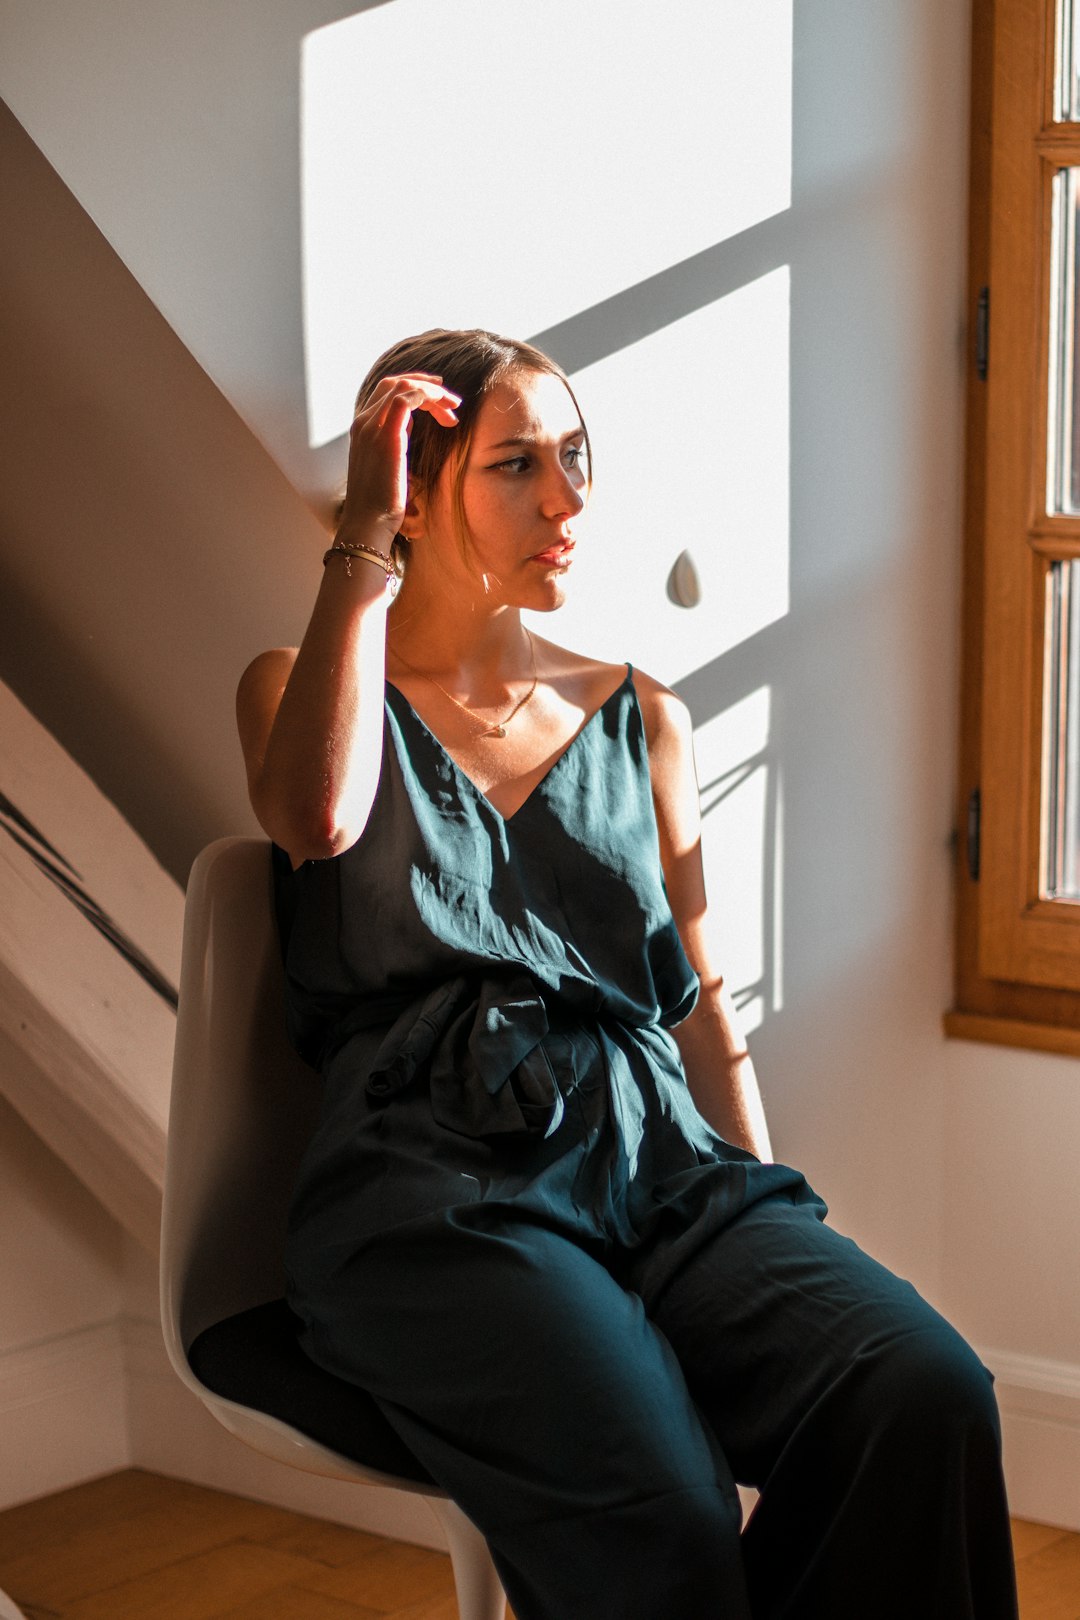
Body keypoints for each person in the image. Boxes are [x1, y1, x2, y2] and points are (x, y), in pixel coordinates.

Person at [236, 327, 1018, 1620]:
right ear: (419, 494)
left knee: (919, 1390)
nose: (567, 499)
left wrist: (773, 1209)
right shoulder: (310, 691)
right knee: (661, 1512)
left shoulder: (641, 713)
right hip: (438, 1193)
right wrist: (360, 543)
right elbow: (316, 820)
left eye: (577, 458)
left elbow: (704, 1005)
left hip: (661, 1169)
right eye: (516, 466)